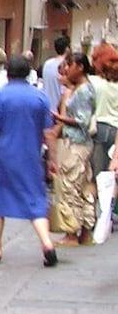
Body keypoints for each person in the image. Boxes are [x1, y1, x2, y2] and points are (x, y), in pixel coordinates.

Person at [0, 56, 59, 267]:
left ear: (8, 73)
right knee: (35, 199)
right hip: (30, 156)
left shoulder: (1, 96)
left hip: (3, 157)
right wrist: (52, 160)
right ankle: (47, 243)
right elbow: (49, 133)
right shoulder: (40, 97)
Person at [52, 52, 97, 246]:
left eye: (69, 65)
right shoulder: (80, 88)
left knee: (70, 185)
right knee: (83, 186)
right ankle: (86, 231)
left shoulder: (84, 91)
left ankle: (71, 232)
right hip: (81, 143)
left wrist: (60, 118)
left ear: (79, 66)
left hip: (77, 143)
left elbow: (83, 121)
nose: (66, 69)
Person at [88, 42, 118, 176]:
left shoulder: (92, 81)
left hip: (99, 129)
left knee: (98, 176)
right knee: (111, 177)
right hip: (116, 132)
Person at [42, 35, 69, 114]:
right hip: (60, 110)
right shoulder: (66, 65)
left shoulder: (47, 63)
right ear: (67, 49)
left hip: (47, 108)